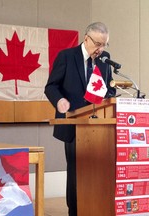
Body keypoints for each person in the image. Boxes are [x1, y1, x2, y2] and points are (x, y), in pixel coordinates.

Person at [44, 22, 116, 216]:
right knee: (77, 173)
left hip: (100, 127)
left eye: (104, 45)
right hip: (74, 124)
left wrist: (108, 94)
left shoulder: (104, 60)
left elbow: (109, 90)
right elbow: (51, 86)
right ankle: (75, 212)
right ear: (86, 39)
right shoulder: (67, 57)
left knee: (98, 171)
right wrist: (59, 101)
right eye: (98, 44)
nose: (101, 49)